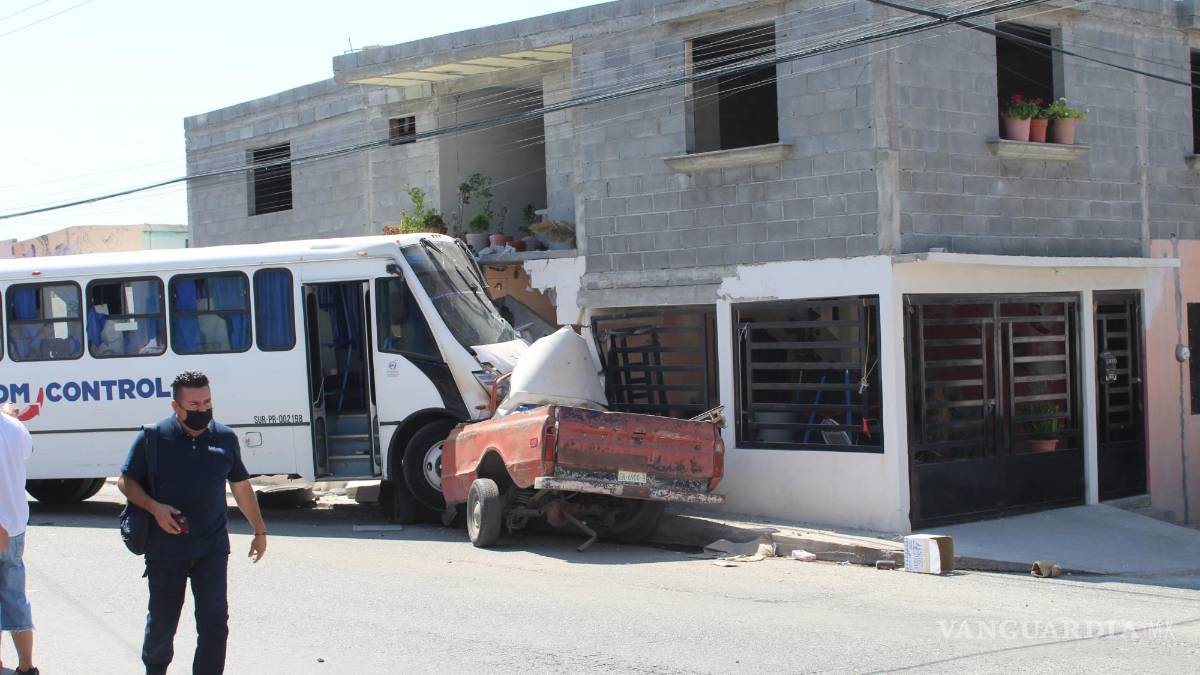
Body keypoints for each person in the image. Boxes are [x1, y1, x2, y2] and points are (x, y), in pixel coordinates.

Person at [118, 371, 268, 675]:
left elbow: (240, 486)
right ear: (176, 406)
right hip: (165, 550)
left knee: (214, 626)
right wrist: (155, 507)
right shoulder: (154, 437)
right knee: (162, 623)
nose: (203, 410)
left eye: (208, 402)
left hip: (212, 548)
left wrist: (259, 529)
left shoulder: (225, 438)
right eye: (194, 404)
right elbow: (126, 481)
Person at [0, 402, 38, 675]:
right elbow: (27, 453)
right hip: (13, 526)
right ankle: (26, 665)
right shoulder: (15, 426)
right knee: (15, 596)